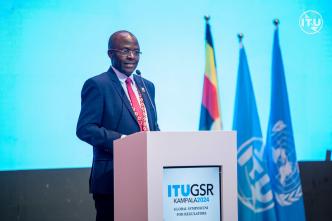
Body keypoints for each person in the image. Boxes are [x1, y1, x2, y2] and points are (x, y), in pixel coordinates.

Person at [76, 30, 159, 221]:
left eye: (136, 52)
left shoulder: (147, 85)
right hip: (112, 179)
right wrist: (123, 142)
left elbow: (150, 125)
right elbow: (85, 128)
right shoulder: (98, 85)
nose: (132, 57)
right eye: (125, 51)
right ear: (110, 54)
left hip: (145, 177)